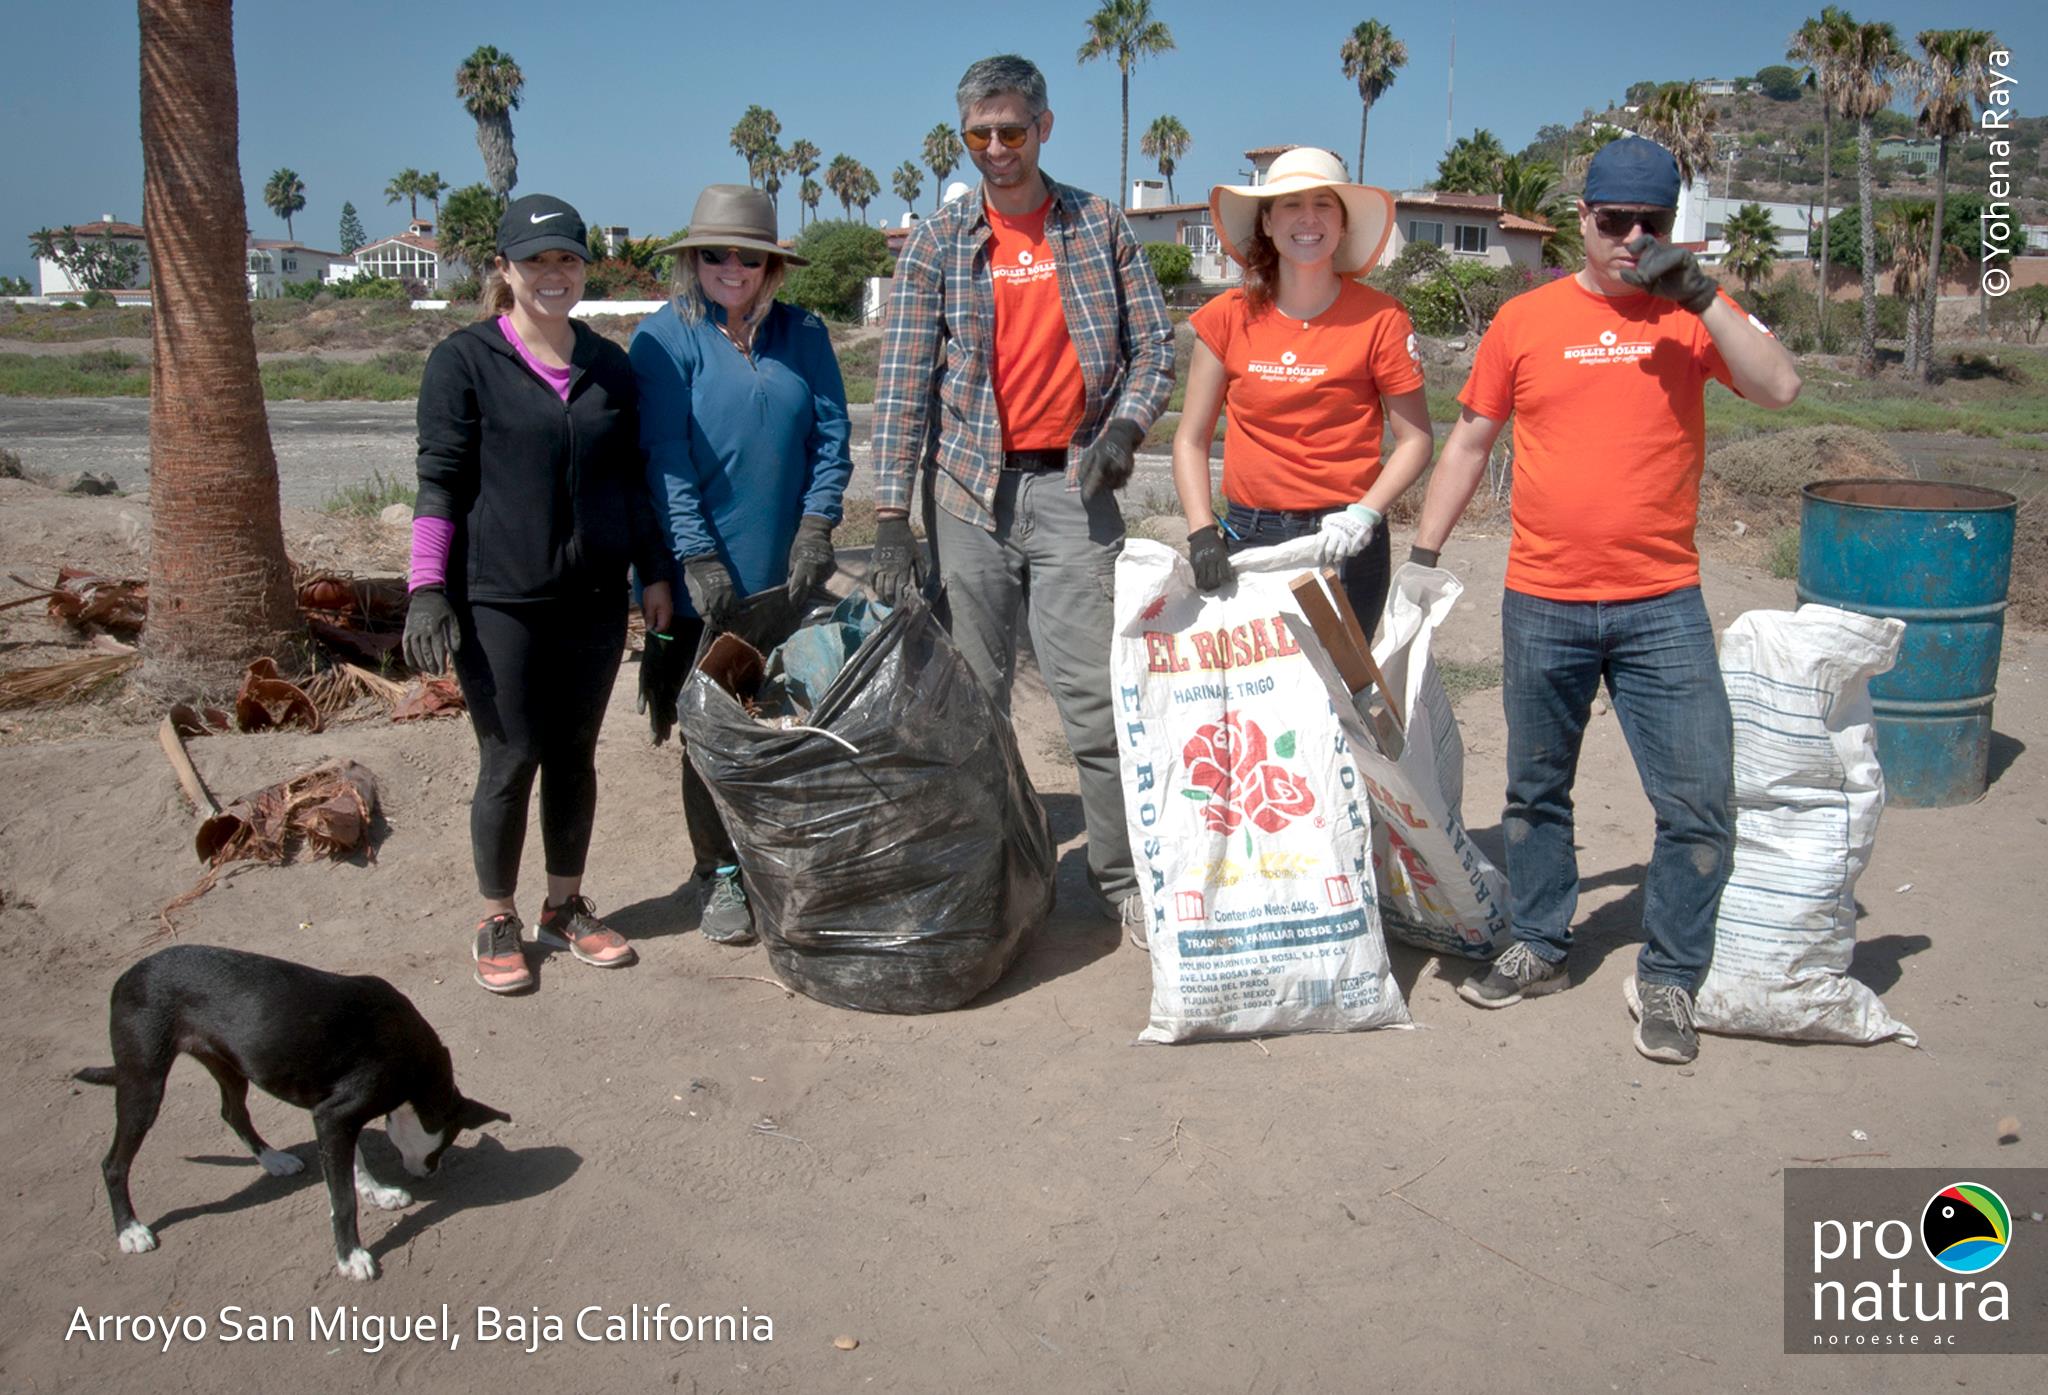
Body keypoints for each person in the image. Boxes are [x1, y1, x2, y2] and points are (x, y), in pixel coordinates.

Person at [1411, 138, 1802, 1064]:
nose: (1632, 237)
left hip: (1661, 602)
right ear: (1583, 219)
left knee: (1697, 800)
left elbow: (1781, 387)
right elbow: (1469, 441)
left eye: (1651, 223)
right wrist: (1422, 553)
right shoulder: (1527, 319)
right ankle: (1542, 943)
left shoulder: (1691, 317)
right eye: (1615, 220)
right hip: (1543, 598)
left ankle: (1669, 976)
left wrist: (1700, 294)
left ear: (1673, 228)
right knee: (1535, 793)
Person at [869, 53, 1175, 941]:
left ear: (1043, 126)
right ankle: (991, 873)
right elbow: (902, 384)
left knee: (1095, 701)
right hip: (969, 493)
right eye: (979, 135)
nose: (996, 148)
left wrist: (1124, 431)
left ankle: (1121, 880)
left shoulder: (1098, 225)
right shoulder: (938, 241)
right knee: (973, 701)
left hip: (1075, 486)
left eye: (1010, 130)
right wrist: (890, 514)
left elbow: (1156, 348)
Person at [404, 193, 674, 995]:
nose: (553, 274)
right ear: (504, 269)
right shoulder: (464, 361)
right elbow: (440, 481)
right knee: (511, 754)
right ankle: (497, 915)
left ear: (584, 267)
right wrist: (426, 587)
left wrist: (654, 571)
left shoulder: (609, 366)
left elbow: (631, 483)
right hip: (499, 601)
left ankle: (563, 906)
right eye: (535, 261)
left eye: (567, 259)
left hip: (593, 599)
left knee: (574, 756)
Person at [630, 184, 851, 946]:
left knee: (786, 722)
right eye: (715, 254)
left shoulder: (804, 334)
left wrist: (816, 525)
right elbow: (663, 459)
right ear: (693, 259)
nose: (732, 267)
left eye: (748, 257)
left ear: (770, 265)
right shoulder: (665, 339)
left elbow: (831, 440)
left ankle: (776, 860)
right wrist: (694, 555)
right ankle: (718, 871)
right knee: (713, 733)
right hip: (706, 589)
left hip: (786, 580)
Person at [1174, 146, 1434, 635]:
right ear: (1267, 223)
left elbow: (1417, 439)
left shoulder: (1382, 318)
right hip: (1251, 536)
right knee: (1260, 682)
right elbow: (1190, 439)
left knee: (1340, 682)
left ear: (1342, 224)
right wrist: (1201, 530)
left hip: (1346, 540)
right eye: (1291, 204)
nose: (1308, 218)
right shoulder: (1226, 316)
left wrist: (1364, 514)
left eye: (1323, 204)